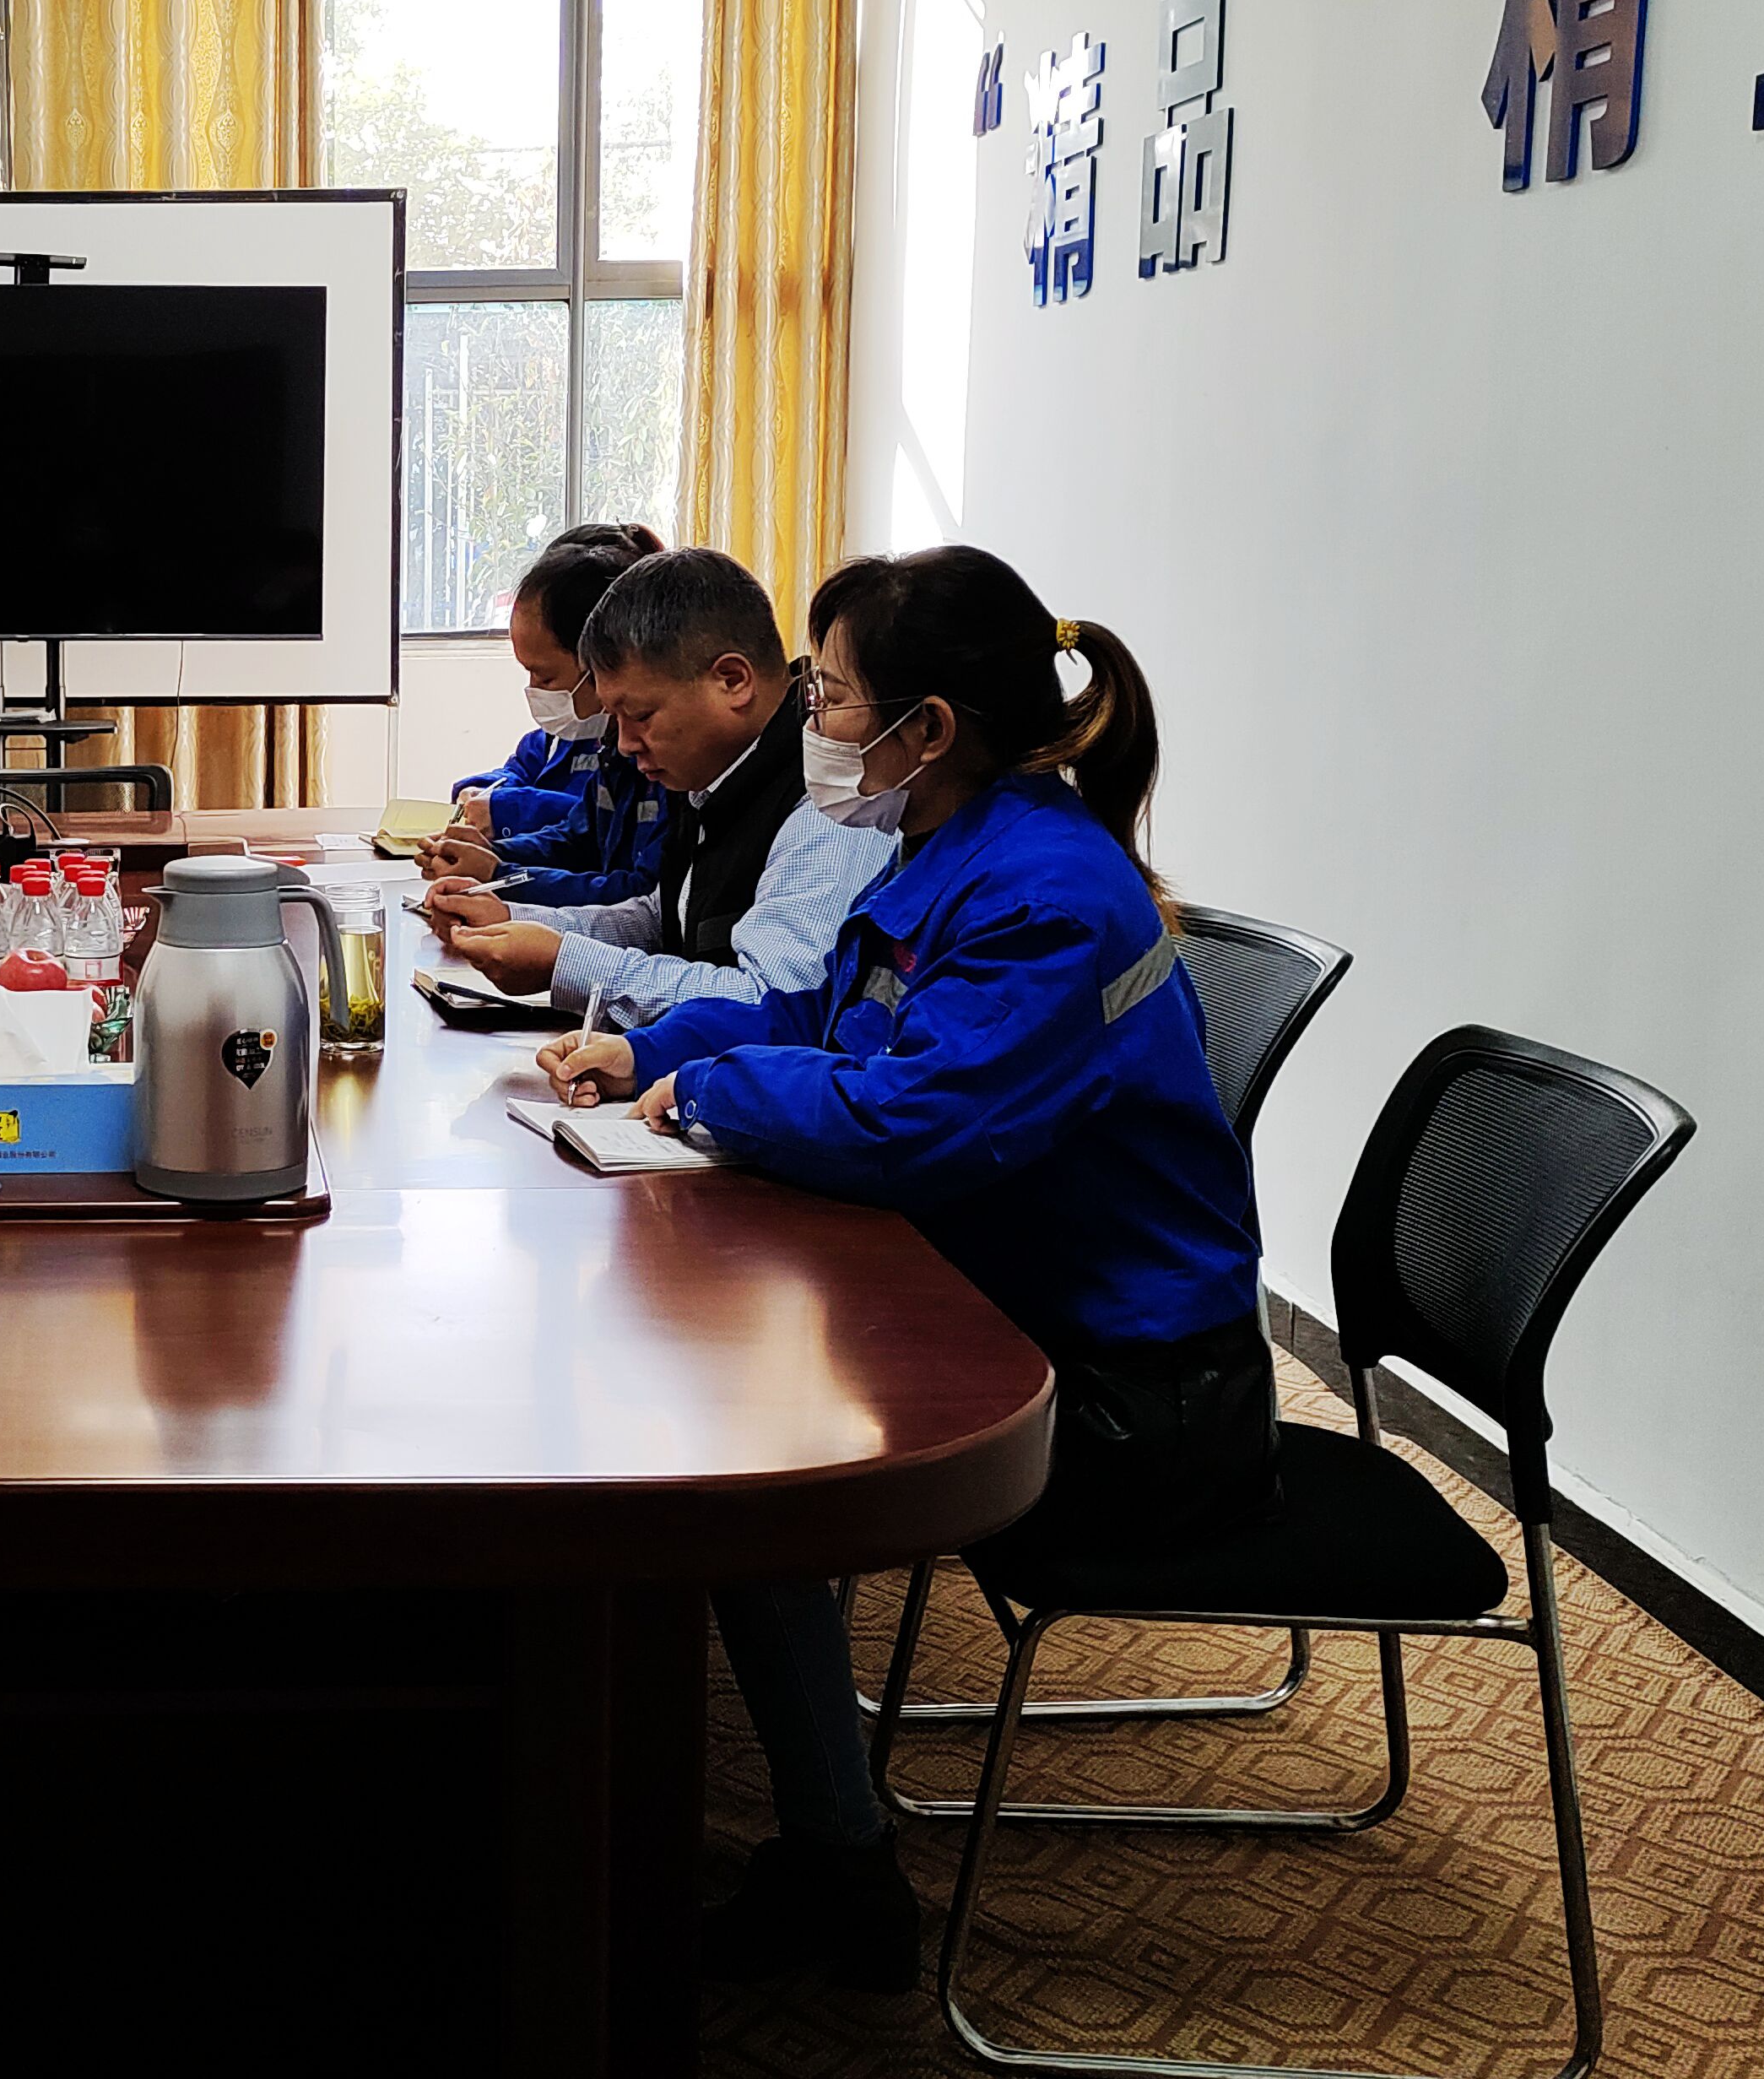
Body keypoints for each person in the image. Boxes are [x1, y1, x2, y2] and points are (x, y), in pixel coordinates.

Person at [538, 546, 1271, 1988]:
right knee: (701, 1389)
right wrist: (651, 1048)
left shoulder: (1044, 892)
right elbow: (828, 1015)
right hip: (1016, 1298)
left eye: (827, 693)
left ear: (925, 727)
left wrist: (706, 1094)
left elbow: (909, 1120)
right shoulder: (948, 843)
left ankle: (840, 1881)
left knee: (737, 1470)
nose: (810, 717)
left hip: (1132, 1399)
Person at [425, 547, 893, 1025]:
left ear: (733, 681)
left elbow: (770, 1004)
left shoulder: (829, 804)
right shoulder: (716, 774)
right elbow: (663, 919)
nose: (625, 744)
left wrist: (565, 963)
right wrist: (516, 920)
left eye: (641, 716)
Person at [421, 523, 666, 906]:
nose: (534, 689)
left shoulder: (668, 756)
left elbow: (641, 899)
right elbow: (580, 837)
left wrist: (499, 874)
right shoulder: (609, 745)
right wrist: (492, 856)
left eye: (545, 676)